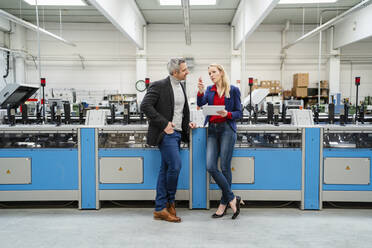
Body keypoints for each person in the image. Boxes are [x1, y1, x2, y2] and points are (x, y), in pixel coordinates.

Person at [141, 58, 196, 223]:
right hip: (167, 134)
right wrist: (164, 123)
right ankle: (170, 202)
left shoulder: (181, 85)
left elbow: (180, 111)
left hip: (178, 133)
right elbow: (145, 106)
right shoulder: (159, 85)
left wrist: (188, 123)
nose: (187, 72)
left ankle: (160, 209)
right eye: (184, 70)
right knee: (175, 166)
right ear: (175, 72)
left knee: (165, 169)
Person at [197, 64, 243, 219]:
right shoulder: (210, 90)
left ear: (221, 72)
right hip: (212, 130)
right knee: (210, 166)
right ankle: (232, 198)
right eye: (209, 73)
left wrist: (227, 114)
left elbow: (239, 112)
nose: (211, 75)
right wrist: (200, 92)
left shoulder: (233, 90)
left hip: (227, 130)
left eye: (213, 72)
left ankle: (223, 204)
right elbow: (201, 104)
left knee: (224, 167)